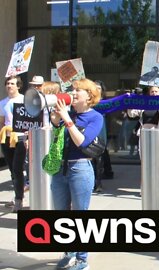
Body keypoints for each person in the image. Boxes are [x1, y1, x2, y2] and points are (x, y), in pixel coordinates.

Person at [49, 78, 103, 270]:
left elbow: (82, 142)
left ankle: (82, 259)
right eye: (72, 90)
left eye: (77, 90)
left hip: (80, 168)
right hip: (60, 169)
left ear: (89, 96)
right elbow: (57, 132)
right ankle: (68, 252)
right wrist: (56, 119)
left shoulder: (95, 117)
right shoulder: (68, 113)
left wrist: (67, 119)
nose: (73, 93)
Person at [127, 75, 159, 154]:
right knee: (144, 156)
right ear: (149, 93)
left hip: (157, 133)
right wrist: (131, 101)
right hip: (144, 134)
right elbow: (131, 113)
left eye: (156, 91)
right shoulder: (144, 105)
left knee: (157, 155)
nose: (154, 93)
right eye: (152, 92)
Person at [0, 76, 27, 212]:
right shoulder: (3, 102)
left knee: (17, 169)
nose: (9, 86)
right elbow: (2, 122)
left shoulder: (23, 100)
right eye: (7, 83)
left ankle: (19, 200)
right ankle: (17, 194)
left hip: (21, 138)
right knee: (12, 170)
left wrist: (28, 138)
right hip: (7, 138)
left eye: (12, 83)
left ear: (18, 86)